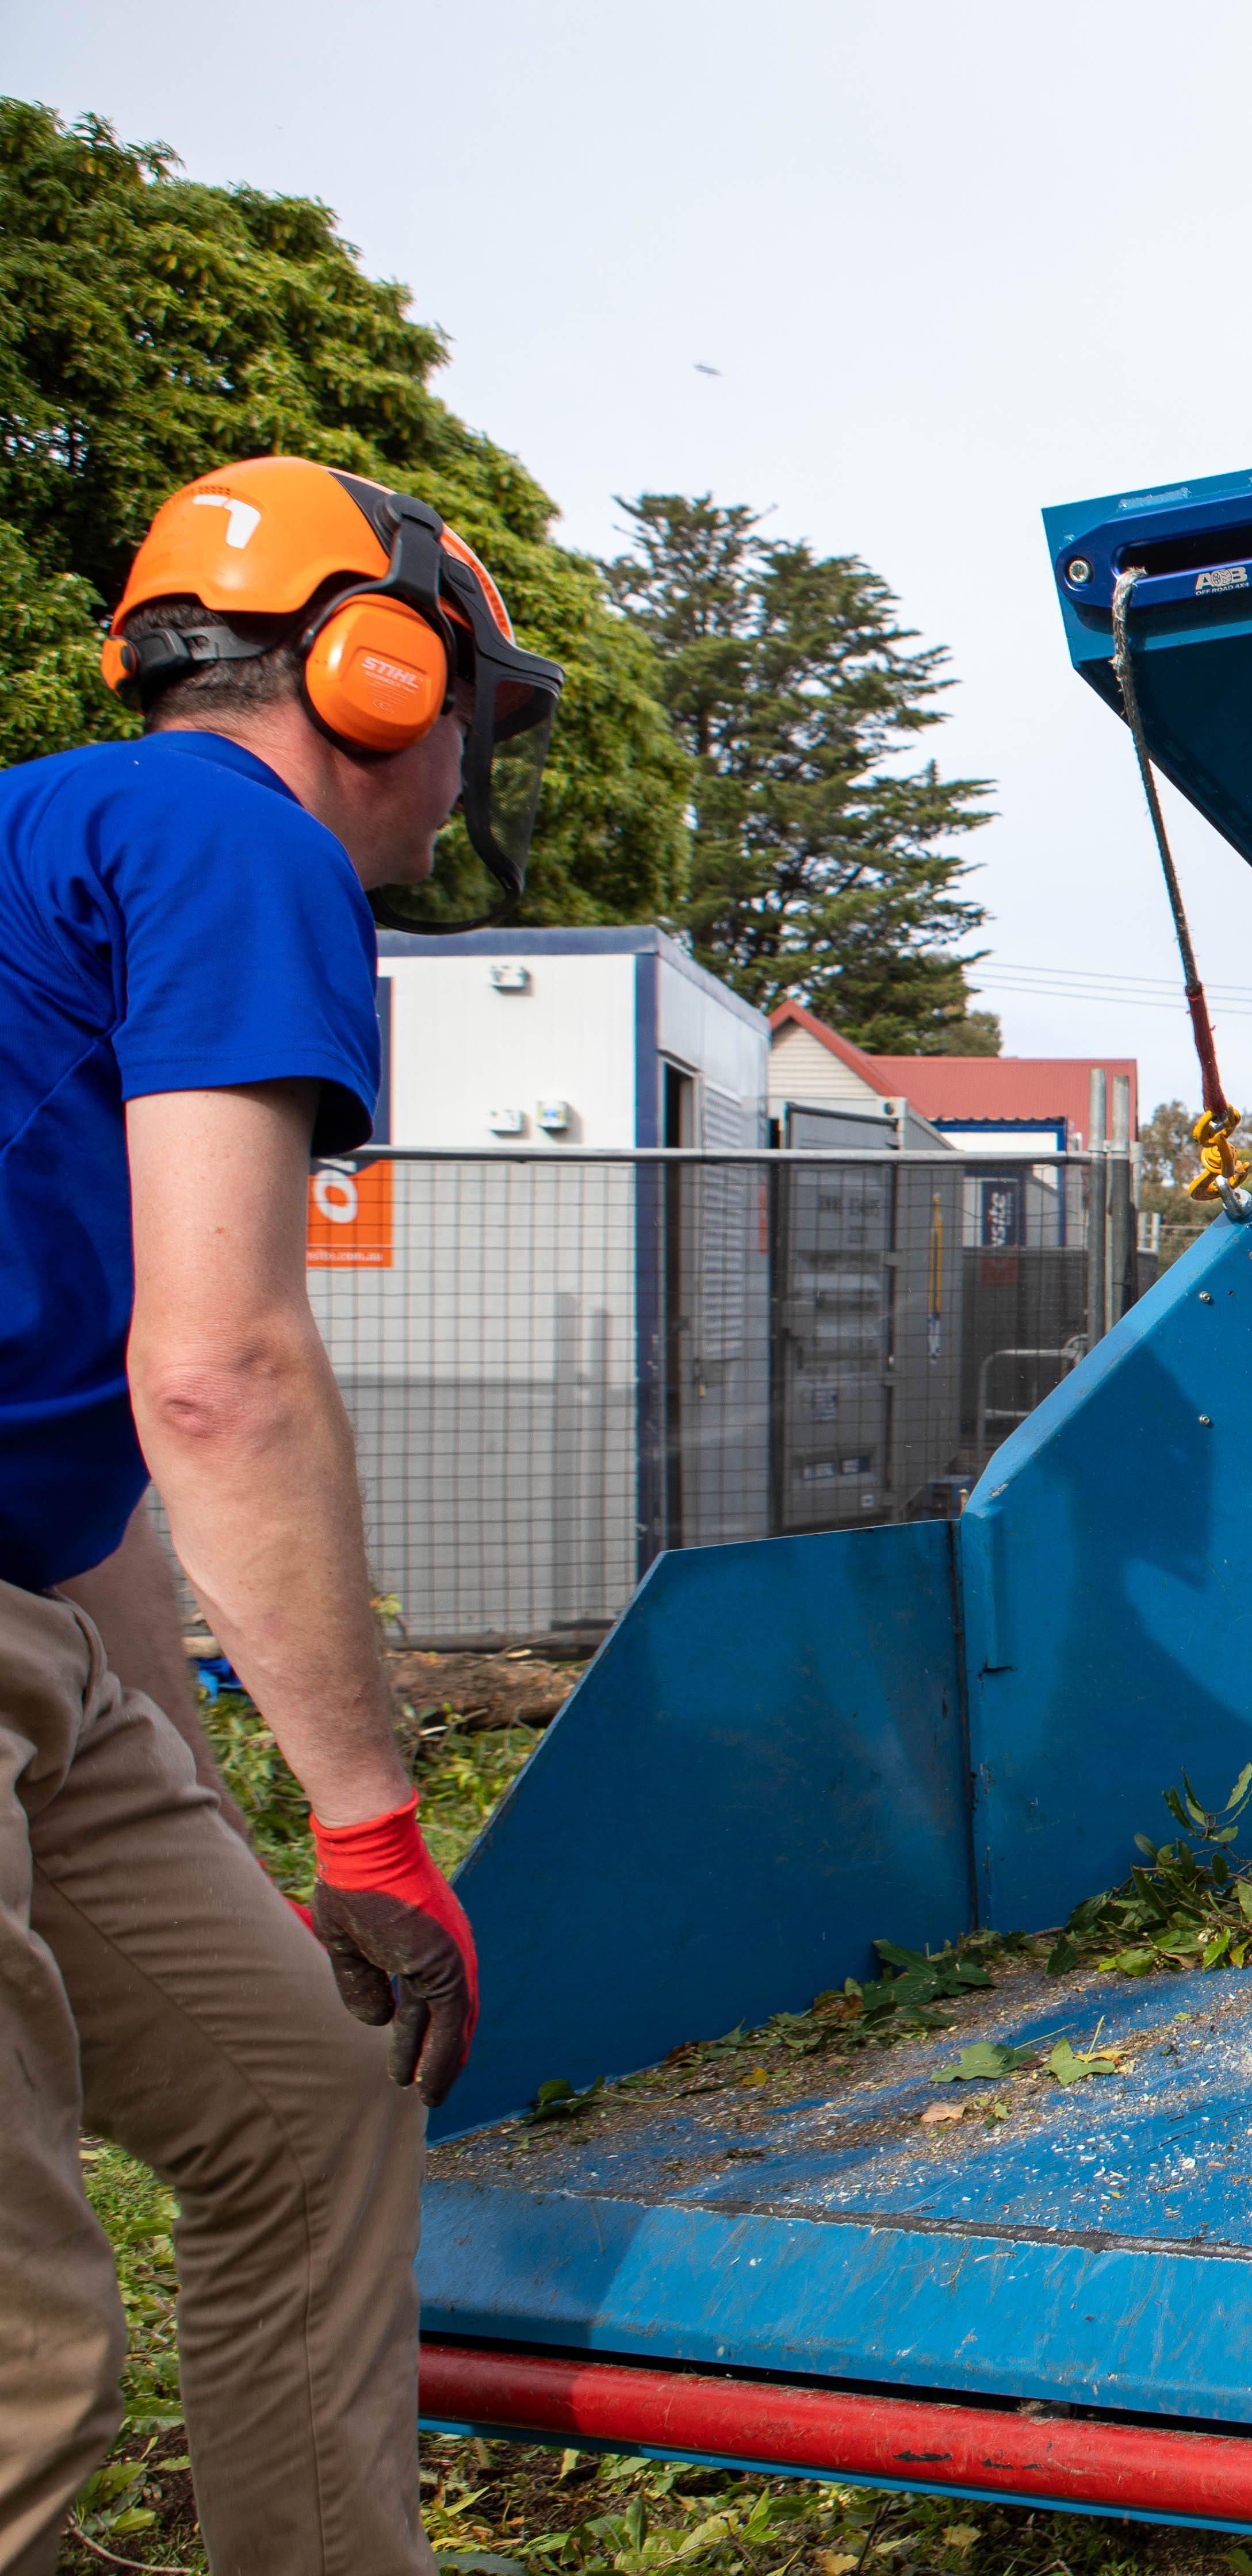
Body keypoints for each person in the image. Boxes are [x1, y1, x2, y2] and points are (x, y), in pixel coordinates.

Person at [0, 455, 562, 2574]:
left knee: (304, 2097)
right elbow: (222, 1373)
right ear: (377, 666)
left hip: (28, 1600)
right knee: (22, 2374)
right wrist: (375, 1828)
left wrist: (215, 1820)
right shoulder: (237, 839)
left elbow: (102, 1446)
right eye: (476, 717)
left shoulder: (51, 835)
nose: (459, 773)